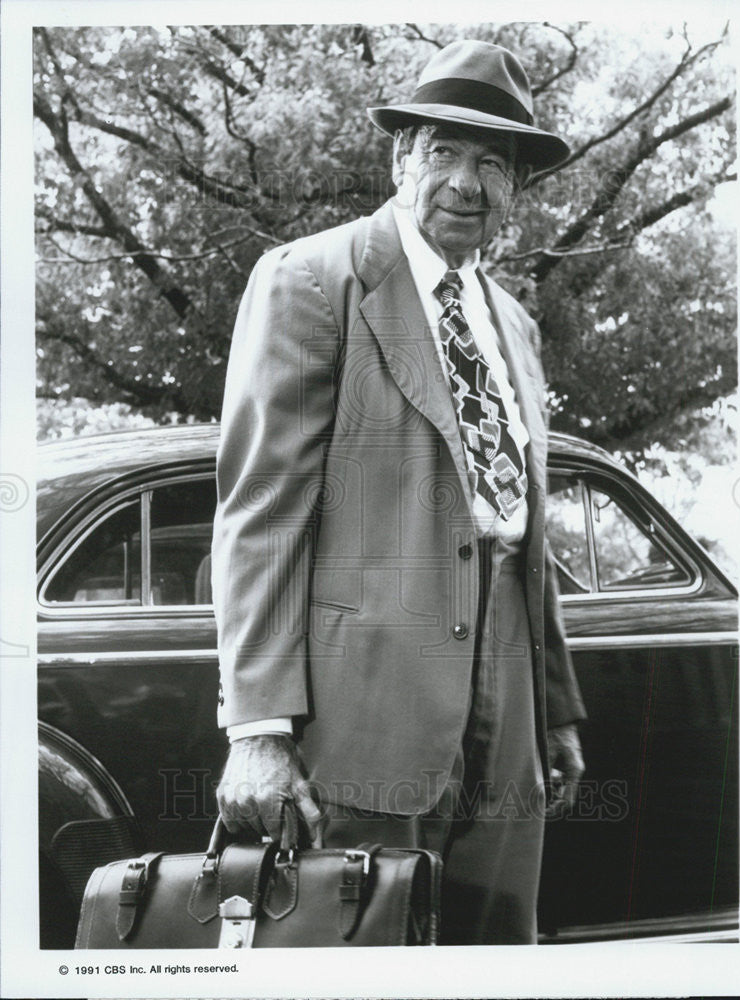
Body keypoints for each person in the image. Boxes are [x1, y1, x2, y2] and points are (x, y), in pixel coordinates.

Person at [212, 38, 586, 945]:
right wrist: (257, 726)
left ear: (516, 190)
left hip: (509, 708)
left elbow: (520, 531)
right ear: (398, 159)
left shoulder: (518, 327)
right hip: (362, 707)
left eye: (494, 164)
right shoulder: (313, 279)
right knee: (359, 948)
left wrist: (557, 711)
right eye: (444, 153)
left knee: (495, 949)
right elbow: (262, 513)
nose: (467, 183)